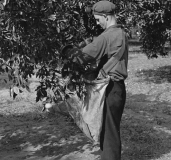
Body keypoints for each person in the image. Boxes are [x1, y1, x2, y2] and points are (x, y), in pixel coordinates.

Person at [67, 1, 129, 159]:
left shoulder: (107, 36)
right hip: (118, 89)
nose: (97, 23)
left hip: (109, 90)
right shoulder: (121, 32)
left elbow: (80, 58)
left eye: (97, 19)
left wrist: (67, 50)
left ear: (106, 17)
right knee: (110, 131)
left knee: (108, 135)